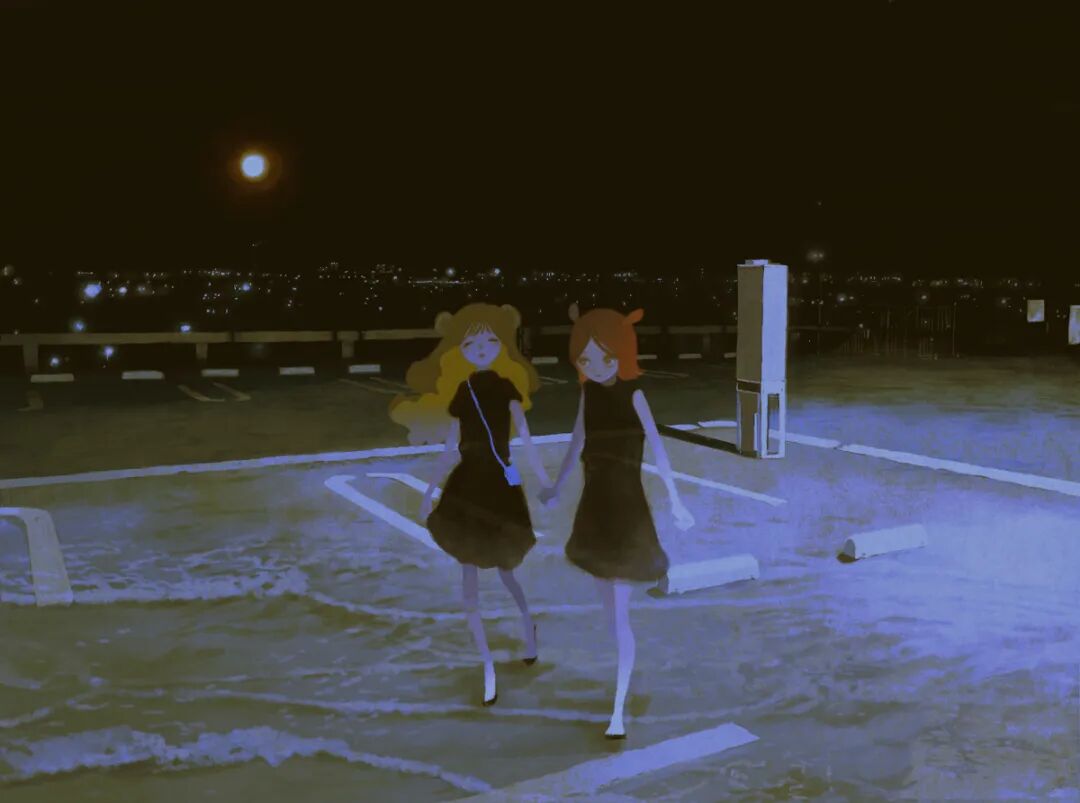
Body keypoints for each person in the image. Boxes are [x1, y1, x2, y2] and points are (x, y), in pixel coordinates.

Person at [540, 304, 694, 738]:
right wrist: (555, 487)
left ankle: (617, 710)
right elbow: (576, 443)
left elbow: (658, 448)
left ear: (621, 354)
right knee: (610, 613)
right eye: (585, 358)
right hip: (595, 508)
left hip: (625, 509)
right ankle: (624, 677)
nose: (594, 365)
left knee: (620, 614)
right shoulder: (588, 394)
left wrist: (676, 500)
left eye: (604, 356)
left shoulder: (634, 394)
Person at [390, 303, 552, 705]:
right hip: (466, 489)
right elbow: (450, 448)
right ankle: (488, 668)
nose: (481, 347)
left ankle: (529, 629)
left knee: (508, 573)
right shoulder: (463, 391)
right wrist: (428, 493)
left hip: (498, 487)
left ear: (503, 345)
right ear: (459, 348)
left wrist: (546, 483)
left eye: (490, 339)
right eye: (471, 342)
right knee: (469, 587)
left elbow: (526, 440)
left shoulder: (507, 387)